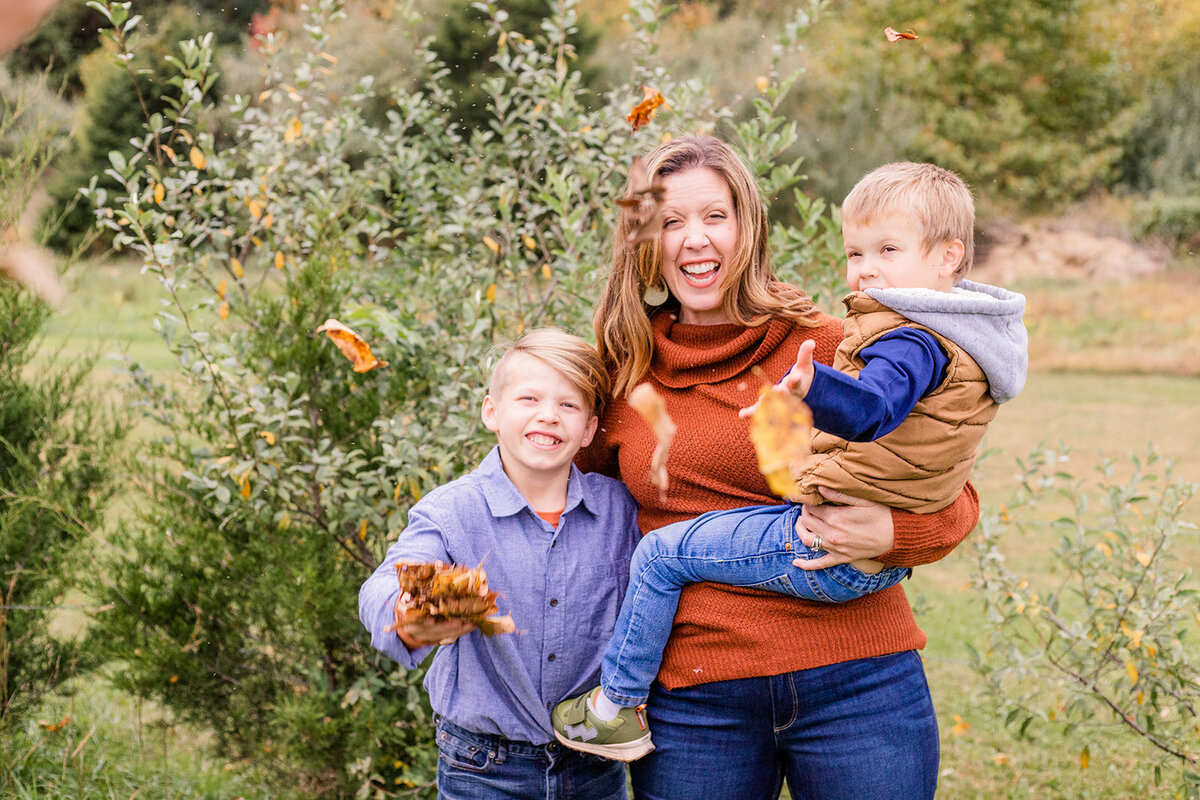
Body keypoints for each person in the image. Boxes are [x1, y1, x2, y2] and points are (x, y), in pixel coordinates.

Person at [546, 136, 981, 800]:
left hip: (860, 681)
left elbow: (951, 495)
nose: (696, 239)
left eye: (715, 216)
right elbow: (557, 500)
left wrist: (890, 537)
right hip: (696, 702)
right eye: (671, 222)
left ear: (748, 226)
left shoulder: (832, 347)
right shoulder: (623, 374)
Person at [357, 328, 641, 800]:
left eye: (568, 405)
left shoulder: (619, 511)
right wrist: (407, 615)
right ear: (492, 411)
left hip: (595, 763)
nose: (548, 416)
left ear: (590, 428)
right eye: (528, 398)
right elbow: (384, 583)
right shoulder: (451, 512)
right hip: (483, 767)